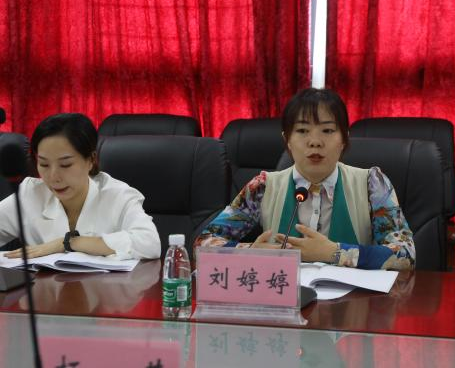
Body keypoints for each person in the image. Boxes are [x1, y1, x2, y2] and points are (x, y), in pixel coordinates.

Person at [195, 88, 415, 270]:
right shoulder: (262, 186)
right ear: (287, 140)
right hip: (282, 301)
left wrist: (335, 252)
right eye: (302, 130)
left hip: (355, 304)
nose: (315, 141)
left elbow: (406, 254)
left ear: (344, 139)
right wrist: (249, 252)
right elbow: (202, 245)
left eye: (327, 130)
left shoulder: (372, 185)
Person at [0, 113, 160, 260]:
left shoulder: (118, 195)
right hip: (43, 283)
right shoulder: (30, 194)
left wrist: (67, 243)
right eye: (44, 164)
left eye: (65, 164)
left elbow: (150, 244)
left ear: (91, 160)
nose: (53, 177)